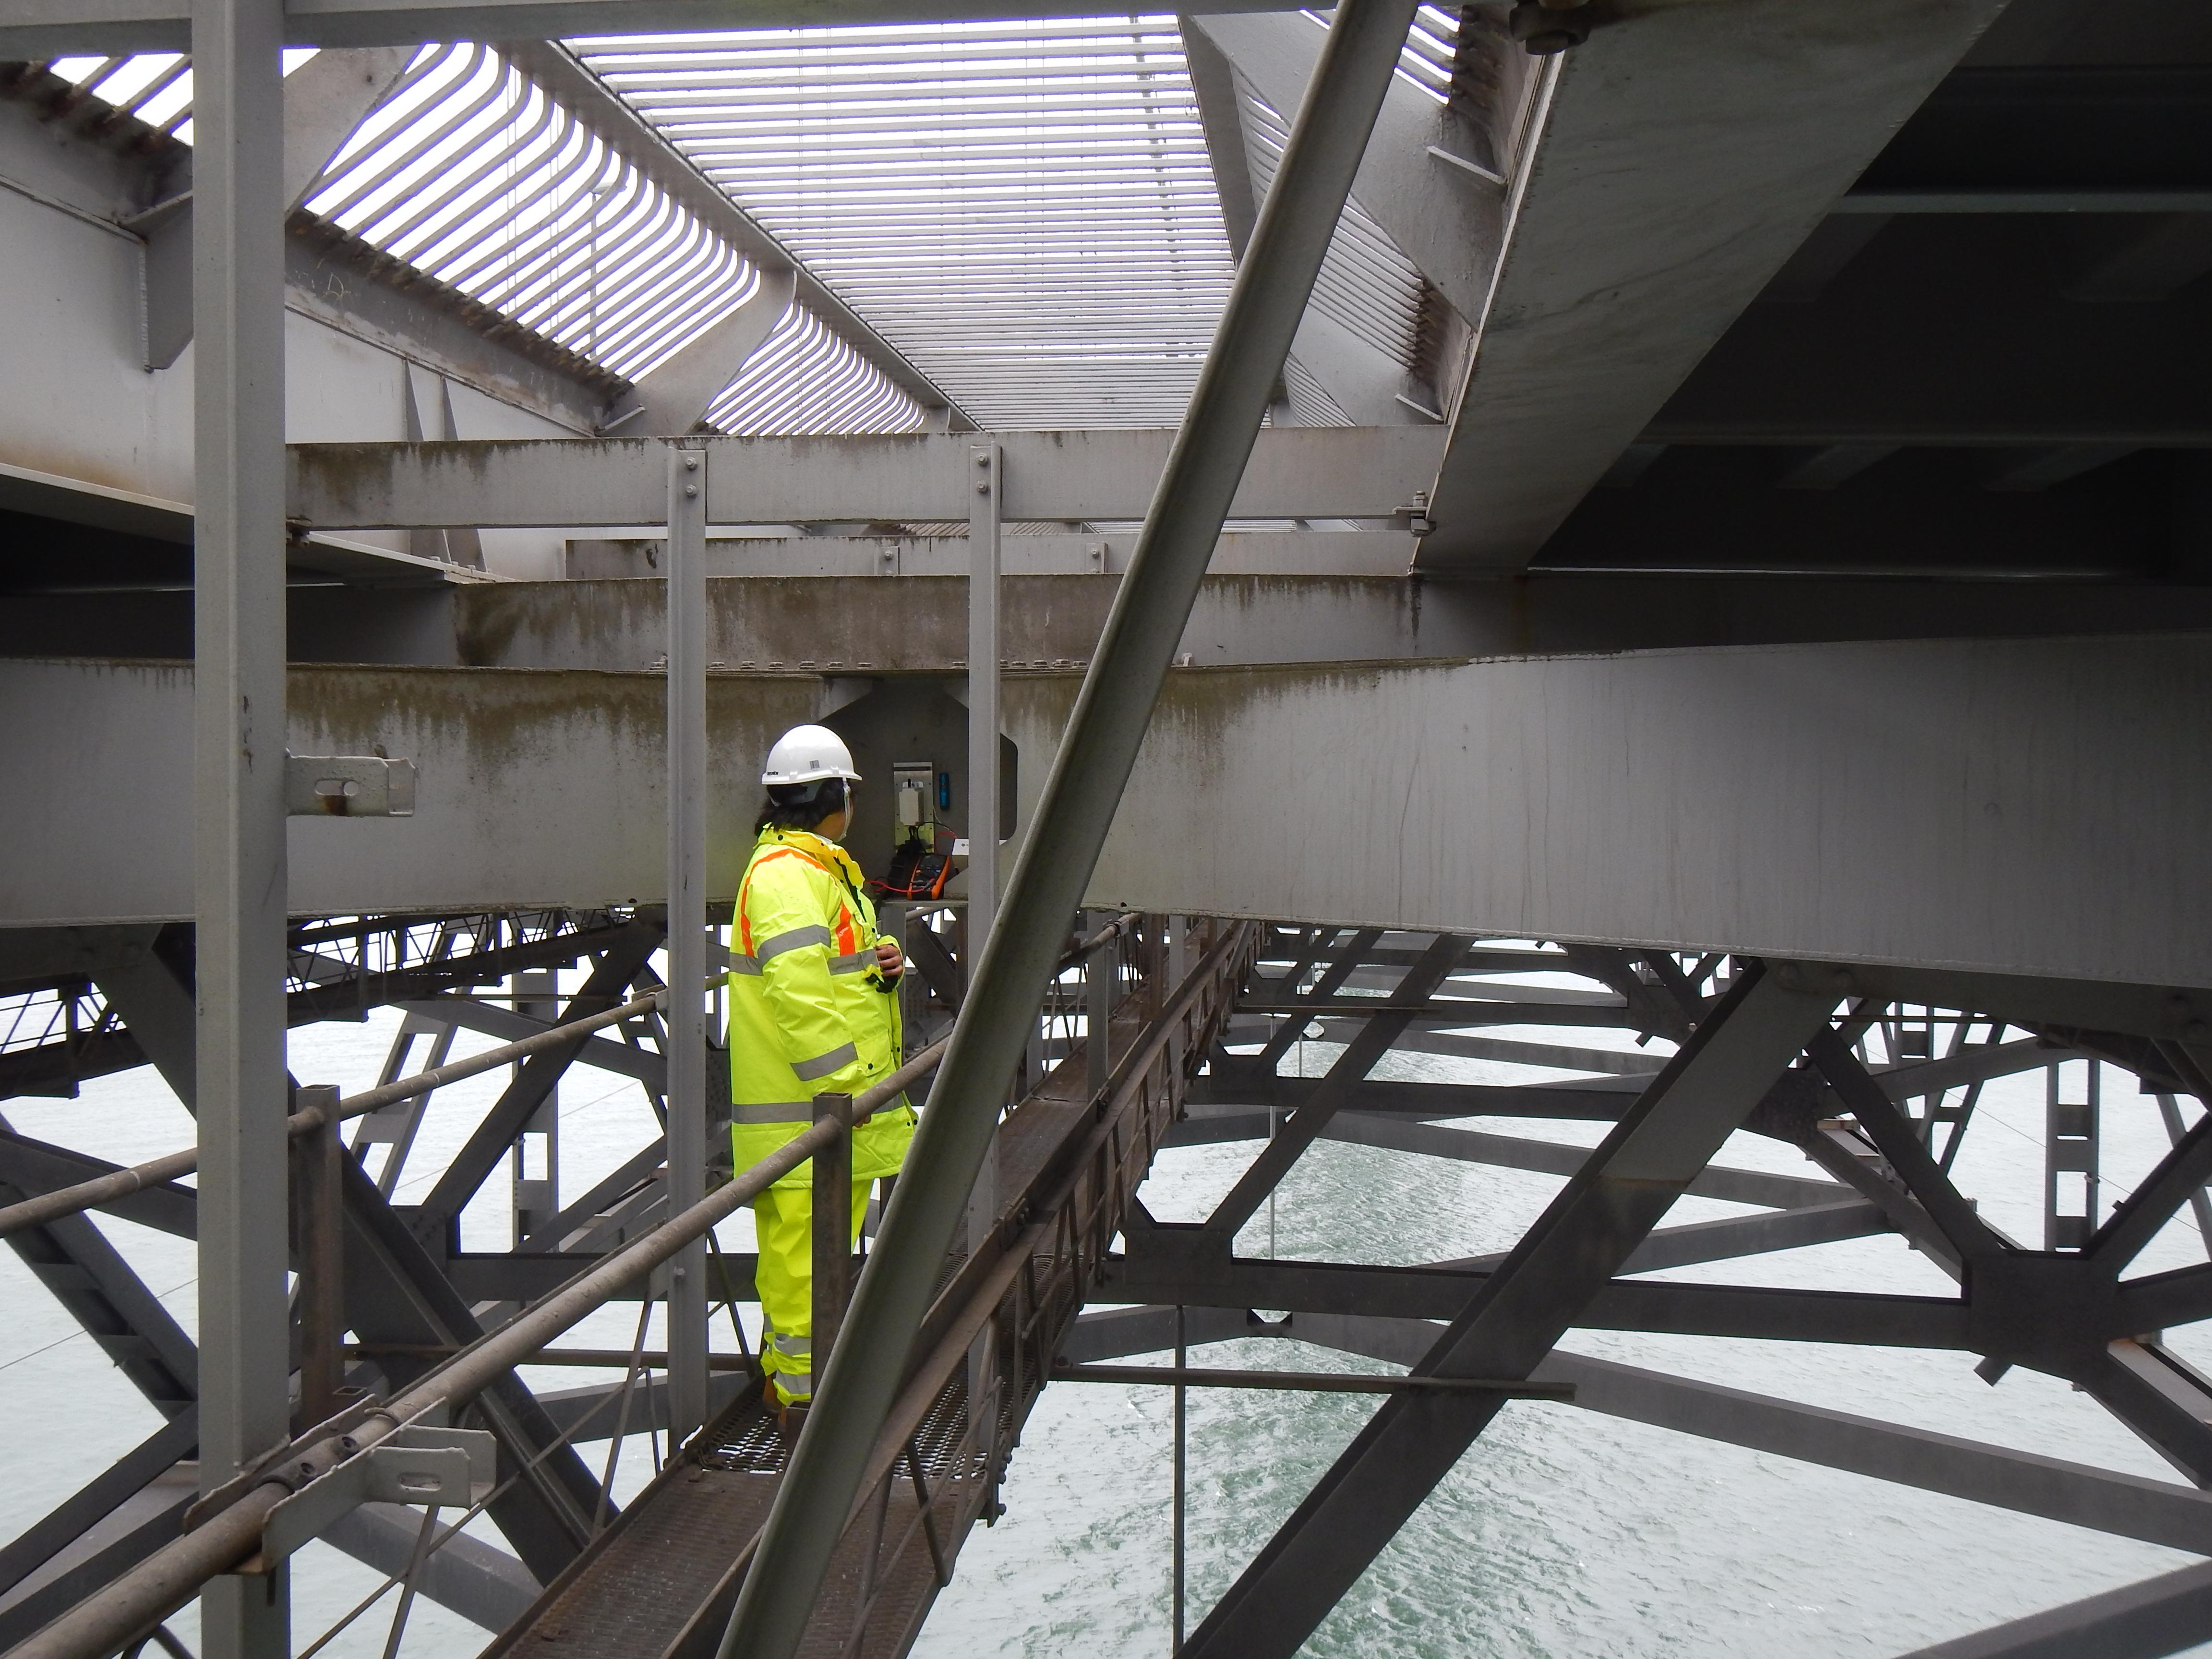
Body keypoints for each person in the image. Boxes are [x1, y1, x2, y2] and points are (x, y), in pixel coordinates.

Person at [726, 724, 913, 1428]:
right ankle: (808, 1414)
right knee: (807, 1273)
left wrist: (883, 958)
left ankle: (788, 1384)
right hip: (816, 1119)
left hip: (812, 1118)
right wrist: (849, 1096)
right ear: (836, 795)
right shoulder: (786, 878)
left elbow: (828, 967)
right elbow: (798, 991)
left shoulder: (807, 874)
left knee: (793, 1267)